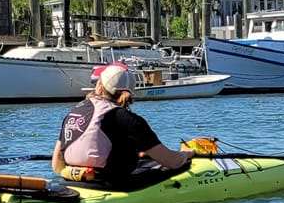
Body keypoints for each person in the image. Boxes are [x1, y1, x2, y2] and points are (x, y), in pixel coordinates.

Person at [52, 64, 196, 188]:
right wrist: (186, 153)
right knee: (178, 165)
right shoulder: (129, 120)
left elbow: (56, 165)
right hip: (111, 185)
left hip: (72, 181)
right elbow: (173, 162)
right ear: (130, 93)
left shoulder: (75, 111)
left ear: (99, 85)